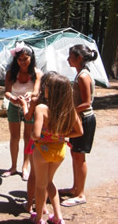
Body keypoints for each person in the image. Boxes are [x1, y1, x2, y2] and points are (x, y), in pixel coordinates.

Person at [20, 72, 83, 224]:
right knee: (49, 182)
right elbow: (80, 131)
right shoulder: (70, 110)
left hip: (42, 151)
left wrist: (46, 136)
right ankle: (58, 217)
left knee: (40, 186)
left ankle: (38, 218)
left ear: (51, 91)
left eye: (46, 87)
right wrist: (61, 134)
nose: (43, 88)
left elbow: (34, 135)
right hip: (59, 151)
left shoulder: (41, 108)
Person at [60, 44, 98, 207]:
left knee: (79, 156)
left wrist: (68, 111)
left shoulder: (83, 76)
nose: (68, 59)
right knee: (75, 154)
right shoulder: (79, 74)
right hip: (77, 119)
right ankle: (75, 188)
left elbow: (87, 103)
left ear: (79, 58)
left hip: (84, 120)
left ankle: (81, 194)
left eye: (71, 56)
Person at [2, 41, 43, 181]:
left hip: (30, 107)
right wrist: (13, 99)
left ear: (31, 58)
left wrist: (30, 95)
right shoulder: (11, 73)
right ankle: (13, 166)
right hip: (14, 106)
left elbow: (36, 92)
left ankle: (25, 166)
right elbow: (6, 92)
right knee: (14, 137)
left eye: (25, 59)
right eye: (19, 59)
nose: (22, 62)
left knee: (28, 137)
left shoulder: (37, 73)